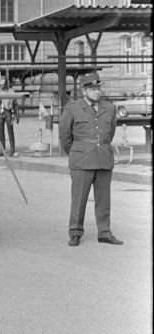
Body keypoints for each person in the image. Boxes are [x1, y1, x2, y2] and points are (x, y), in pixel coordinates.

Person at [58, 72, 123, 247]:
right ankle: (75, 232)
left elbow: (110, 132)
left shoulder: (109, 108)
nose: (97, 92)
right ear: (84, 91)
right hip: (81, 160)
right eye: (93, 89)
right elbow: (65, 136)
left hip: (103, 158)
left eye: (98, 88)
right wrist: (77, 152)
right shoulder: (72, 108)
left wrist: (101, 147)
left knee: (104, 199)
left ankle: (104, 232)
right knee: (79, 199)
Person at [0, 83, 20, 157]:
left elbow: (15, 104)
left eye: (2, 84)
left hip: (8, 112)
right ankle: (2, 150)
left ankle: (12, 150)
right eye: (0, 84)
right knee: (1, 133)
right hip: (0, 112)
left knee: (10, 131)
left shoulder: (11, 92)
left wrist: (17, 115)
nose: (1, 85)